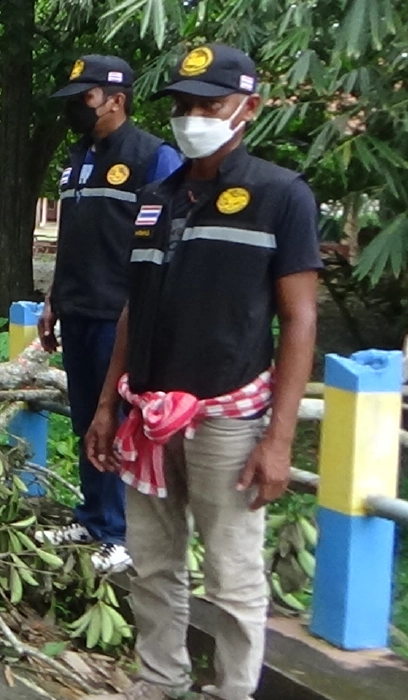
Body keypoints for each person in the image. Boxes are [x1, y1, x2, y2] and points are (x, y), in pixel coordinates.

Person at [84, 45, 320, 700]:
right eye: (184, 105)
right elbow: (137, 304)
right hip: (149, 415)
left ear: (249, 108)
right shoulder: (157, 199)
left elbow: (299, 321)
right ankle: (159, 684)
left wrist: (278, 439)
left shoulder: (281, 197)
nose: (193, 118)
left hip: (227, 424)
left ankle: (233, 692)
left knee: (232, 577)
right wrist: (110, 405)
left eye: (209, 105)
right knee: (154, 567)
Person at [37, 55, 183, 573]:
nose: (76, 108)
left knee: (116, 421)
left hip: (119, 316)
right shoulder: (77, 158)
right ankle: (94, 516)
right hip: (76, 308)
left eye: (85, 98)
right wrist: (53, 298)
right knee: (85, 419)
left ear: (116, 99)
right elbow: (75, 236)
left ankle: (123, 533)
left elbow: (168, 245)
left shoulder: (154, 158)